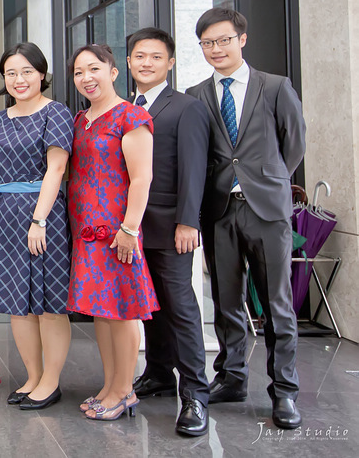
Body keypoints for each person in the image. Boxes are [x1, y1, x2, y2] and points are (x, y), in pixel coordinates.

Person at [185, 7, 306, 430]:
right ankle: (232, 377)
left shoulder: (274, 87)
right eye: (207, 43)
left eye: (223, 40)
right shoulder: (197, 94)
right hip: (219, 210)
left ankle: (284, 391)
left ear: (242, 39)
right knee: (226, 300)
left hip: (267, 210)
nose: (216, 49)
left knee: (277, 303)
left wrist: (267, 181)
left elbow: (294, 144)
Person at [0, 43, 74, 410]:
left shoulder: (56, 113)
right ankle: (32, 376)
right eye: (11, 73)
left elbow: (56, 169)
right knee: (17, 303)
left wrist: (39, 220)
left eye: (27, 71)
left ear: (41, 74)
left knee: (48, 303)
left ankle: (51, 381)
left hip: (42, 217)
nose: (19, 79)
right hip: (3, 216)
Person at [125, 28, 211, 437]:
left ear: (170, 63)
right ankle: (159, 373)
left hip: (171, 225)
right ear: (128, 62)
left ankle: (195, 393)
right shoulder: (125, 108)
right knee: (150, 305)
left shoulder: (186, 108)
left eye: (156, 57)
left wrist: (188, 221)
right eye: (140, 56)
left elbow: (195, 169)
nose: (147, 63)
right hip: (132, 228)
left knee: (180, 307)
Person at [67, 44, 158, 421]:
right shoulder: (80, 119)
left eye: (94, 69)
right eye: (78, 72)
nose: (86, 78)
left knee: (122, 312)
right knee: (101, 312)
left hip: (117, 232)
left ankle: (124, 390)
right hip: (86, 231)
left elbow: (142, 178)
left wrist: (129, 229)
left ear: (113, 71)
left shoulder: (131, 116)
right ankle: (109, 385)